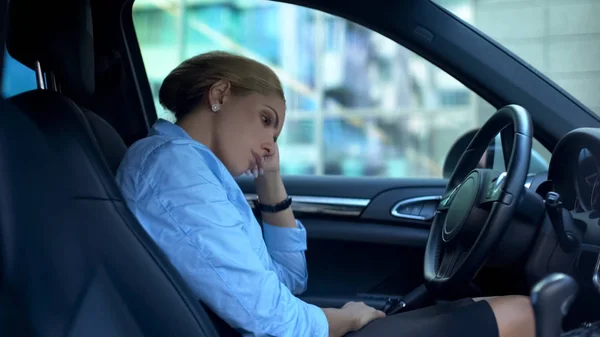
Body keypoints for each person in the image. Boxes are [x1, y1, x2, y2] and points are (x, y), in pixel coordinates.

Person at [116, 51, 535, 337]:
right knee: (519, 313)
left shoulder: (197, 173)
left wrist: (270, 182)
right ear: (220, 94)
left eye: (276, 134)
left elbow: (289, 282)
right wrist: (347, 320)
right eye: (265, 120)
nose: (270, 144)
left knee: (489, 307)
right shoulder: (175, 171)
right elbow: (273, 319)